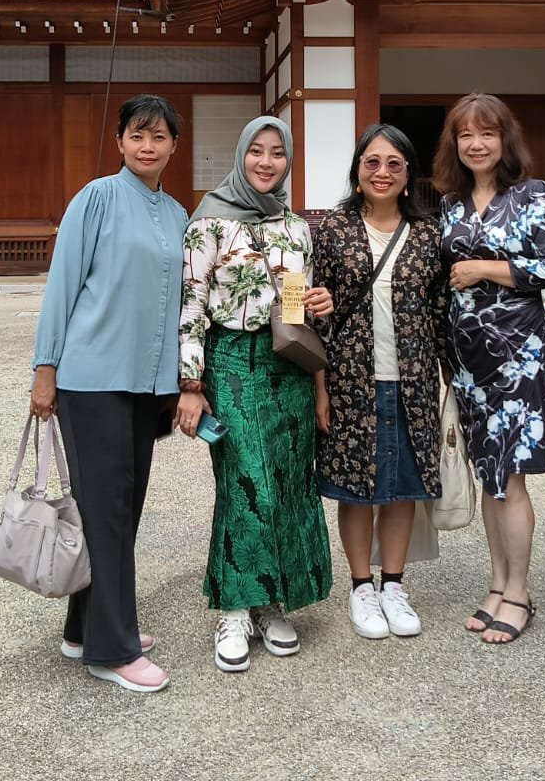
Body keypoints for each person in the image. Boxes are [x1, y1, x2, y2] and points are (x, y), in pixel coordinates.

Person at [29, 94, 188, 694]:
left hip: (148, 385)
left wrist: (179, 384)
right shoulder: (95, 198)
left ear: (174, 146)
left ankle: (83, 627)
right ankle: (112, 648)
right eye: (137, 135)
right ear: (120, 141)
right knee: (105, 511)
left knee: (122, 508)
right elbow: (62, 284)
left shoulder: (177, 215)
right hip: (91, 379)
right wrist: (44, 369)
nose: (148, 146)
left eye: (160, 137)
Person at [176, 115, 336, 672]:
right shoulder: (209, 224)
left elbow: (296, 307)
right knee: (245, 483)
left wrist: (319, 374)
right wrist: (192, 386)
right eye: (257, 152)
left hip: (287, 368)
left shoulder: (295, 228)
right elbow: (191, 306)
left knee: (289, 482)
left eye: (277, 153)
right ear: (241, 155)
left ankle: (272, 601)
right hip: (231, 362)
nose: (267, 163)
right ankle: (236, 608)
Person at [310, 124, 450, 641]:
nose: (382, 172)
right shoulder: (332, 230)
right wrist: (319, 387)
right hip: (350, 379)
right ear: (357, 171)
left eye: (394, 163)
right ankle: (361, 587)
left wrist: (454, 381)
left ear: (408, 174)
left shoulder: (430, 235)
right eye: (372, 162)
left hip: (412, 379)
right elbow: (306, 312)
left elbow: (442, 312)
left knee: (402, 488)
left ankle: (394, 584)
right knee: (357, 488)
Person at [435, 93, 545, 645]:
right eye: (465, 134)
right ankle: (496, 584)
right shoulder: (449, 204)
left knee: (510, 477)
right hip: (467, 363)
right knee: (490, 476)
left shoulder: (532, 195)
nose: (476, 144)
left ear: (504, 139)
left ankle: (520, 594)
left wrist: (485, 267)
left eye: (486, 133)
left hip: (521, 359)